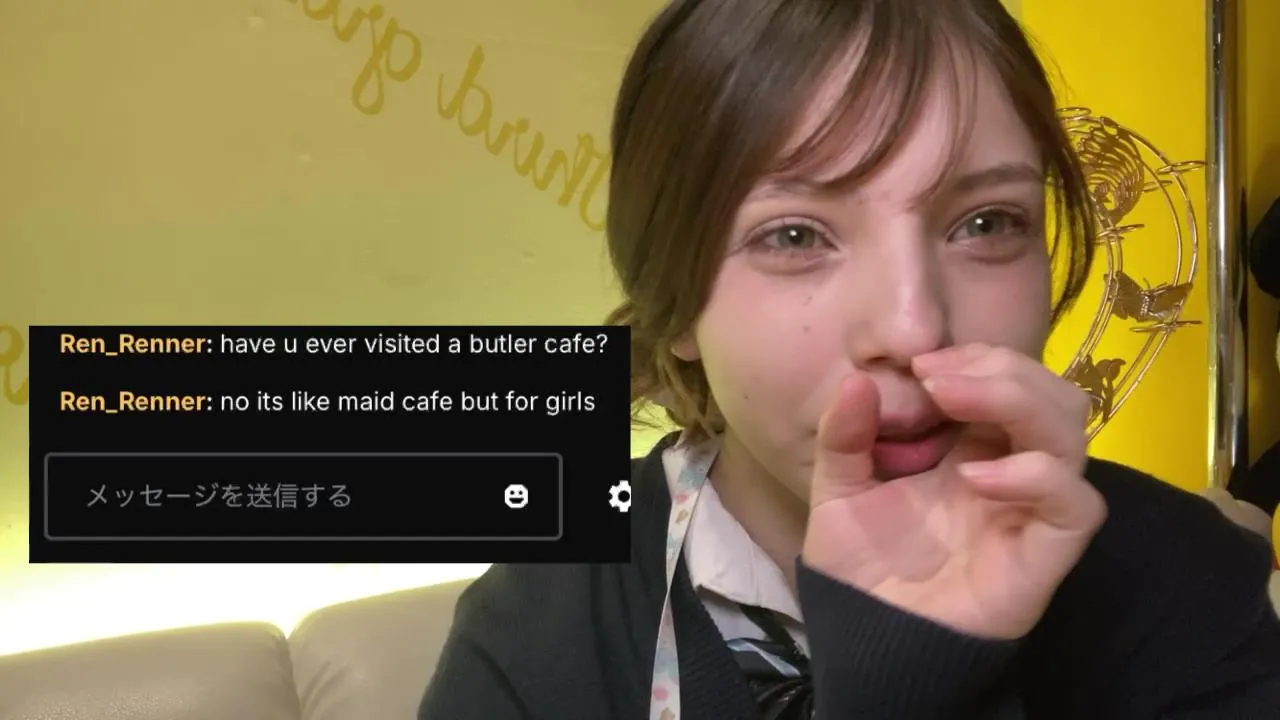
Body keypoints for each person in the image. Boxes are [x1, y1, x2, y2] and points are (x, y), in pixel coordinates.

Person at [420, 0, 1280, 717]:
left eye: (987, 223)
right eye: (794, 236)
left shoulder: (1183, 584)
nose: (913, 328)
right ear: (673, 303)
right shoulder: (543, 629)